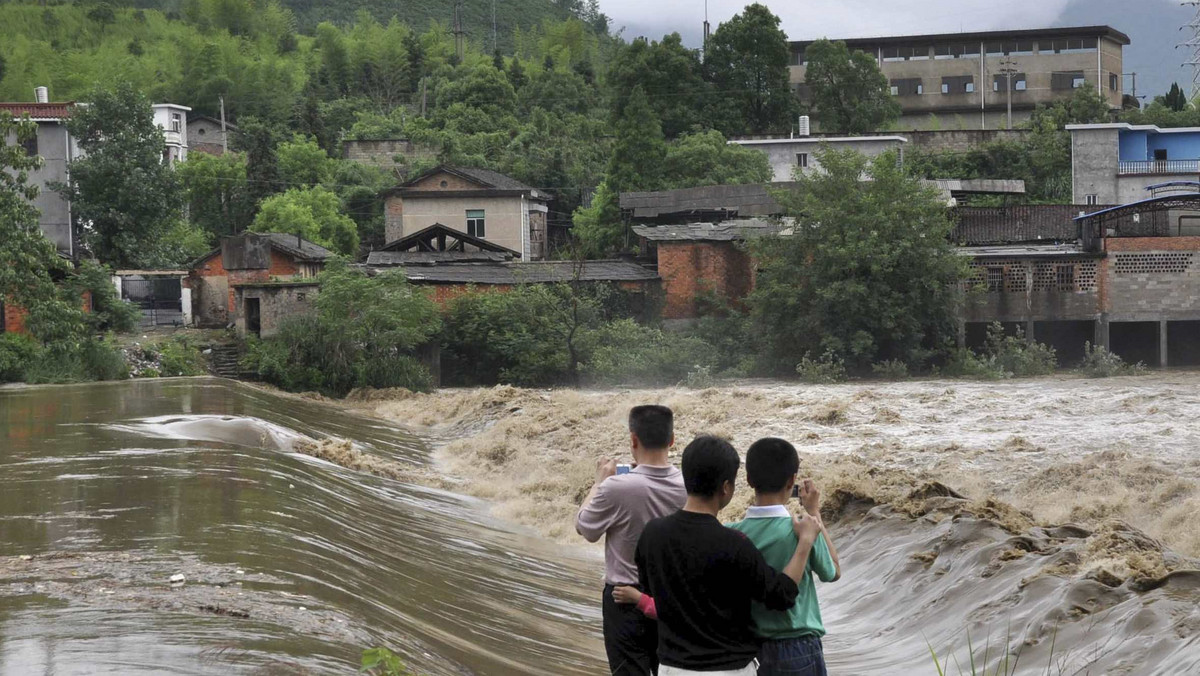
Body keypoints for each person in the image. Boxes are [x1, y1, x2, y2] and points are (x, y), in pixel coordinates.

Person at [633, 436, 821, 676]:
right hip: (729, 668)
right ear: (726, 487)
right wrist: (805, 543)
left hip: (673, 667)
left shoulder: (652, 534)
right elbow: (781, 595)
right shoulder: (734, 543)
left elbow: (648, 587)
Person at [576, 405, 687, 675]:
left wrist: (598, 484)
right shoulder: (690, 486)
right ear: (672, 440)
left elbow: (585, 528)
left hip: (623, 600)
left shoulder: (617, 488)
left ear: (633, 439)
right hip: (673, 599)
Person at [728, 438, 840, 676]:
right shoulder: (802, 529)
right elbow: (833, 571)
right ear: (792, 481)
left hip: (748, 649)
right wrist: (814, 512)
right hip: (799, 647)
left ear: (748, 480)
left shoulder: (731, 533)